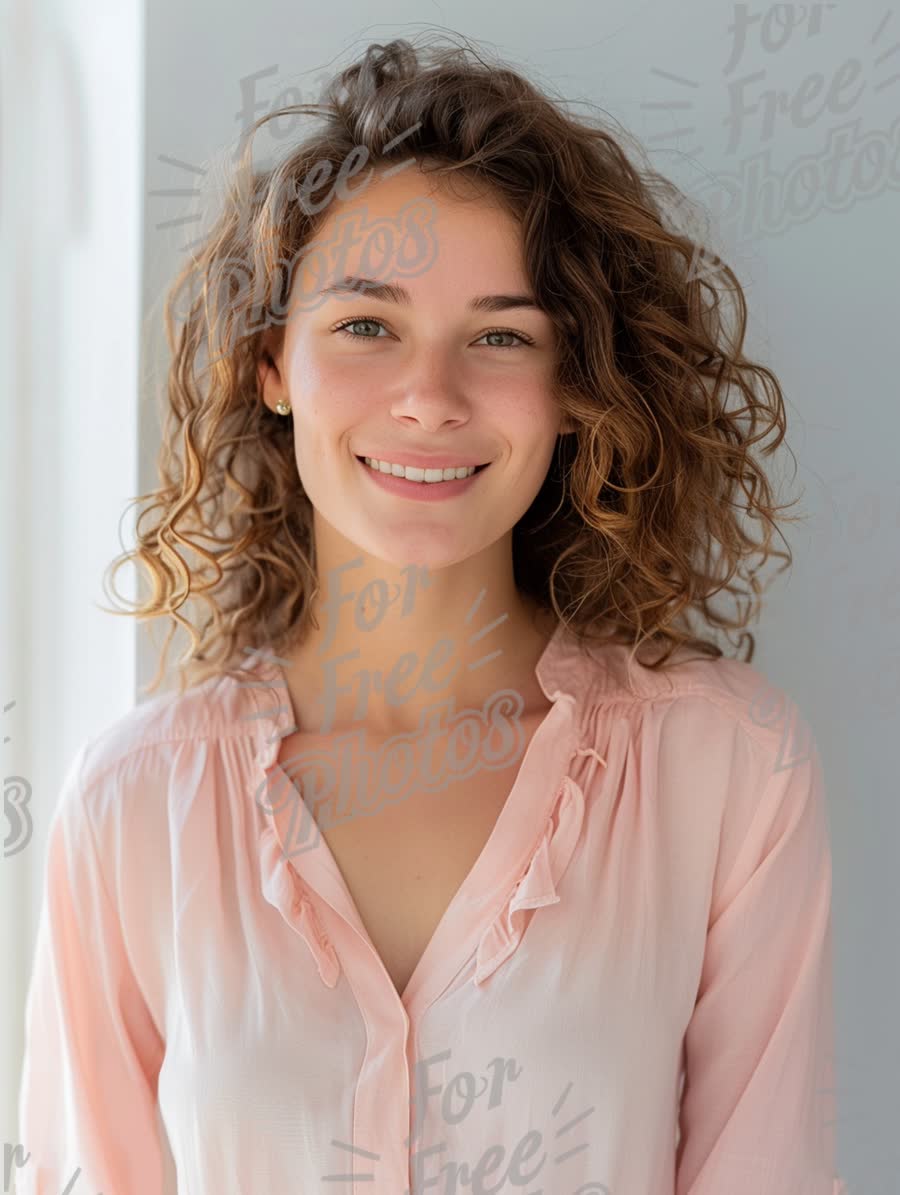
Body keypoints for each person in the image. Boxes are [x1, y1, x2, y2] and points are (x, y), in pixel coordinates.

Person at [17, 33, 843, 1195]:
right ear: (272, 363)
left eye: (501, 335)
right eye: (365, 324)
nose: (428, 397)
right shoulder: (130, 807)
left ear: (575, 386)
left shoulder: (729, 768)